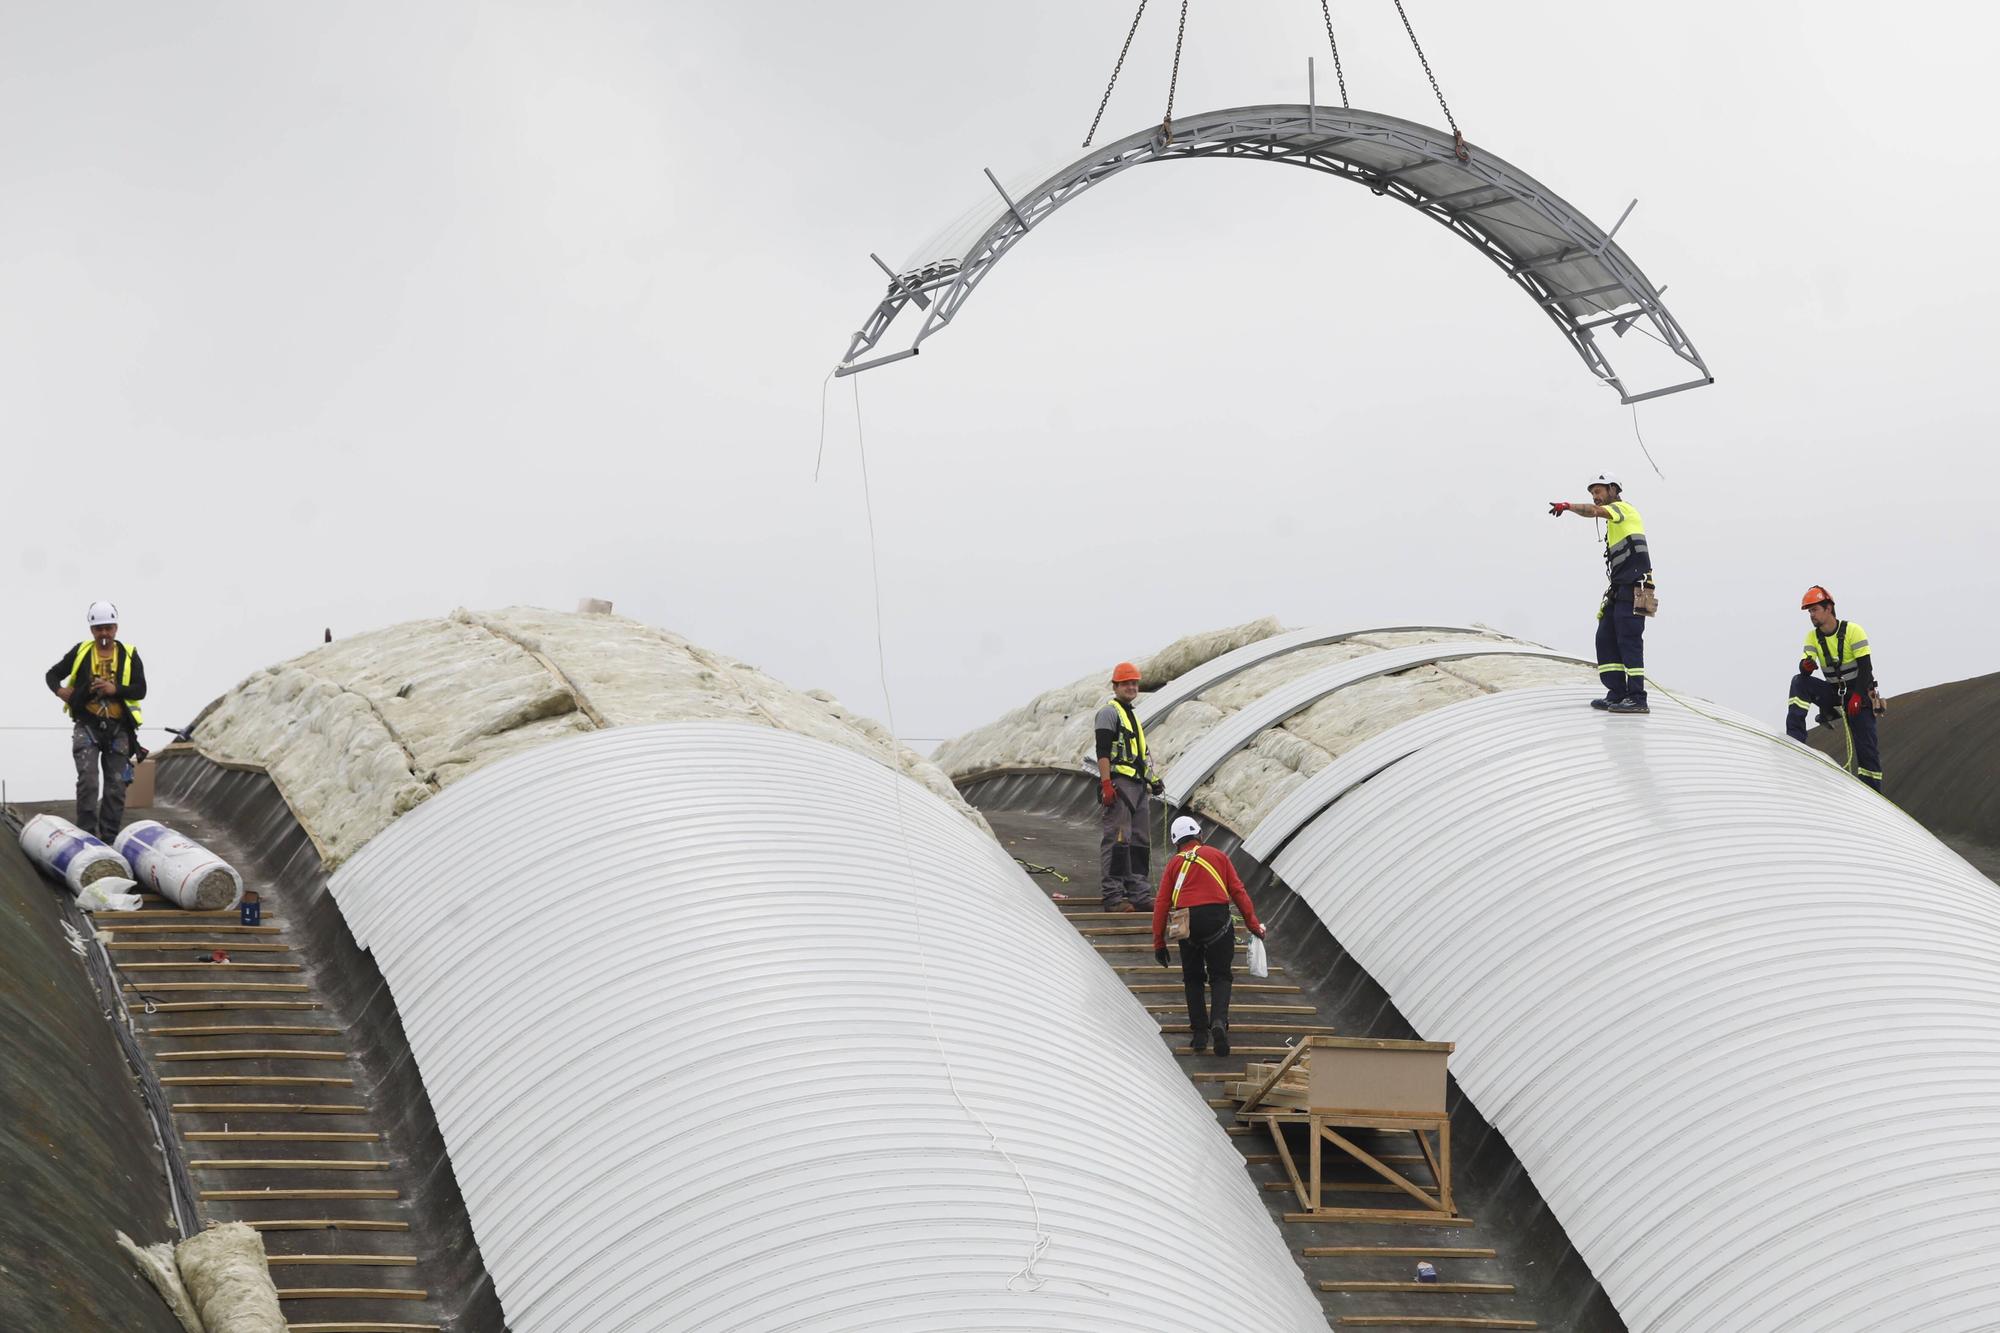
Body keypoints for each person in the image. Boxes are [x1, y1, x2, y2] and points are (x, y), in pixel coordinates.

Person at [1152, 816, 1265, 1057]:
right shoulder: (1218, 856)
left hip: (1186, 920)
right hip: (1217, 919)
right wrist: (1253, 925)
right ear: (1199, 835)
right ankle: (1218, 1022)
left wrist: (1158, 942)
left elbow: (1162, 903)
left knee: (1192, 978)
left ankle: (1200, 1033)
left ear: (1176, 842)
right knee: (1221, 976)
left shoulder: (1174, 864)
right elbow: (1238, 891)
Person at [1550, 472, 1654, 714]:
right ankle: (1617, 693)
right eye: (1592, 493)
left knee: (1629, 641)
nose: (1595, 497)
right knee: (1605, 637)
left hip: (1635, 587)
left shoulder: (1623, 509)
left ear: (1613, 490)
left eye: (1598, 491)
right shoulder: (1614, 522)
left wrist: (1568, 506)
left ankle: (1637, 697)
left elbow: (1593, 511)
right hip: (1620, 588)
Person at [45, 601, 148, 841]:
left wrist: (115, 689)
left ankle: (109, 839)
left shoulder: (129, 655)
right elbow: (52, 674)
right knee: (88, 782)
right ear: (92, 630)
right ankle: (87, 837)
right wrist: (60, 691)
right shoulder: (81, 652)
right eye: (99, 628)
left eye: (108, 628)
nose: (104, 633)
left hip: (119, 729)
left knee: (116, 787)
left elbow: (140, 689)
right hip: (87, 726)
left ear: (116, 628)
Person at [1786, 586, 1884, 790]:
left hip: (1859, 694)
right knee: (1799, 682)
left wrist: (1857, 696)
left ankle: (1874, 795)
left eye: (1814, 610)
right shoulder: (1812, 637)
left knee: (1866, 749)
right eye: (1809, 611)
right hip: (1834, 694)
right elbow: (1806, 664)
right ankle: (1795, 740)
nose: (1811, 615)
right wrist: (1805, 667)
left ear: (1828, 608)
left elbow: (1866, 668)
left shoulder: (1853, 631)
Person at [1096, 661, 1160, 913]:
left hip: (1137, 785)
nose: (1132, 687)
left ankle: (1139, 895)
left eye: (1134, 683)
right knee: (1117, 841)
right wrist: (1106, 784)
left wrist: (1153, 781)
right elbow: (1102, 751)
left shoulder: (1131, 714)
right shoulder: (1108, 713)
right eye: (1126, 683)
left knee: (1140, 842)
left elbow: (1139, 756)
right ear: (1116, 686)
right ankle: (1113, 898)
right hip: (1119, 785)